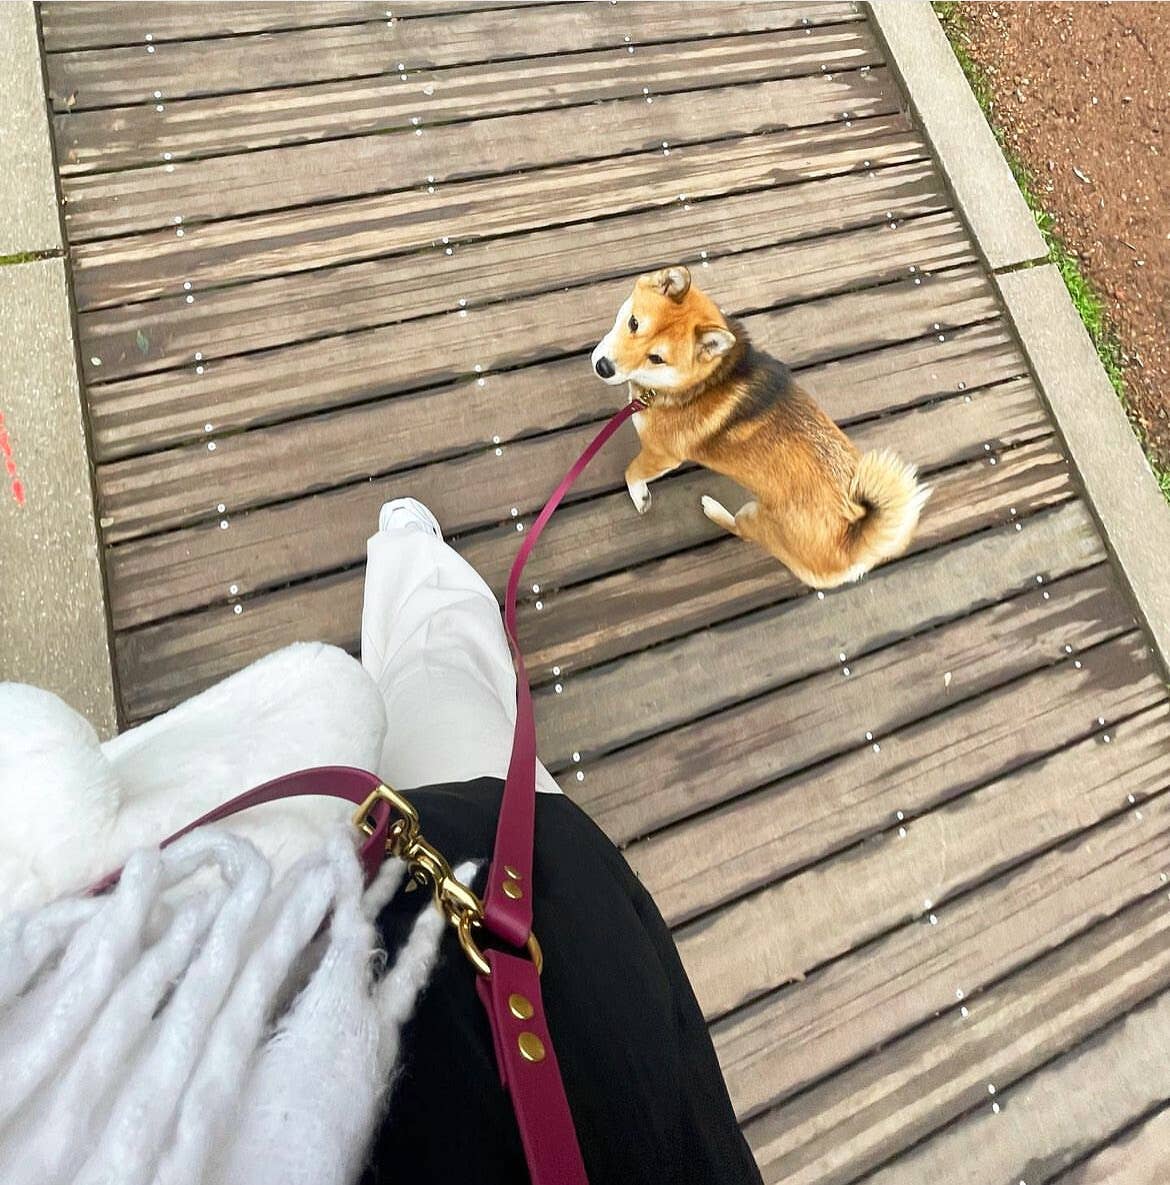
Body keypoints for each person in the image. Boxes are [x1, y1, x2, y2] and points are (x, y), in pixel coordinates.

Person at [0, 499, 762, 1185]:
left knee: (440, 690)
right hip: (539, 953)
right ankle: (413, 563)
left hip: (575, 1008)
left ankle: (409, 558)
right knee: (442, 681)